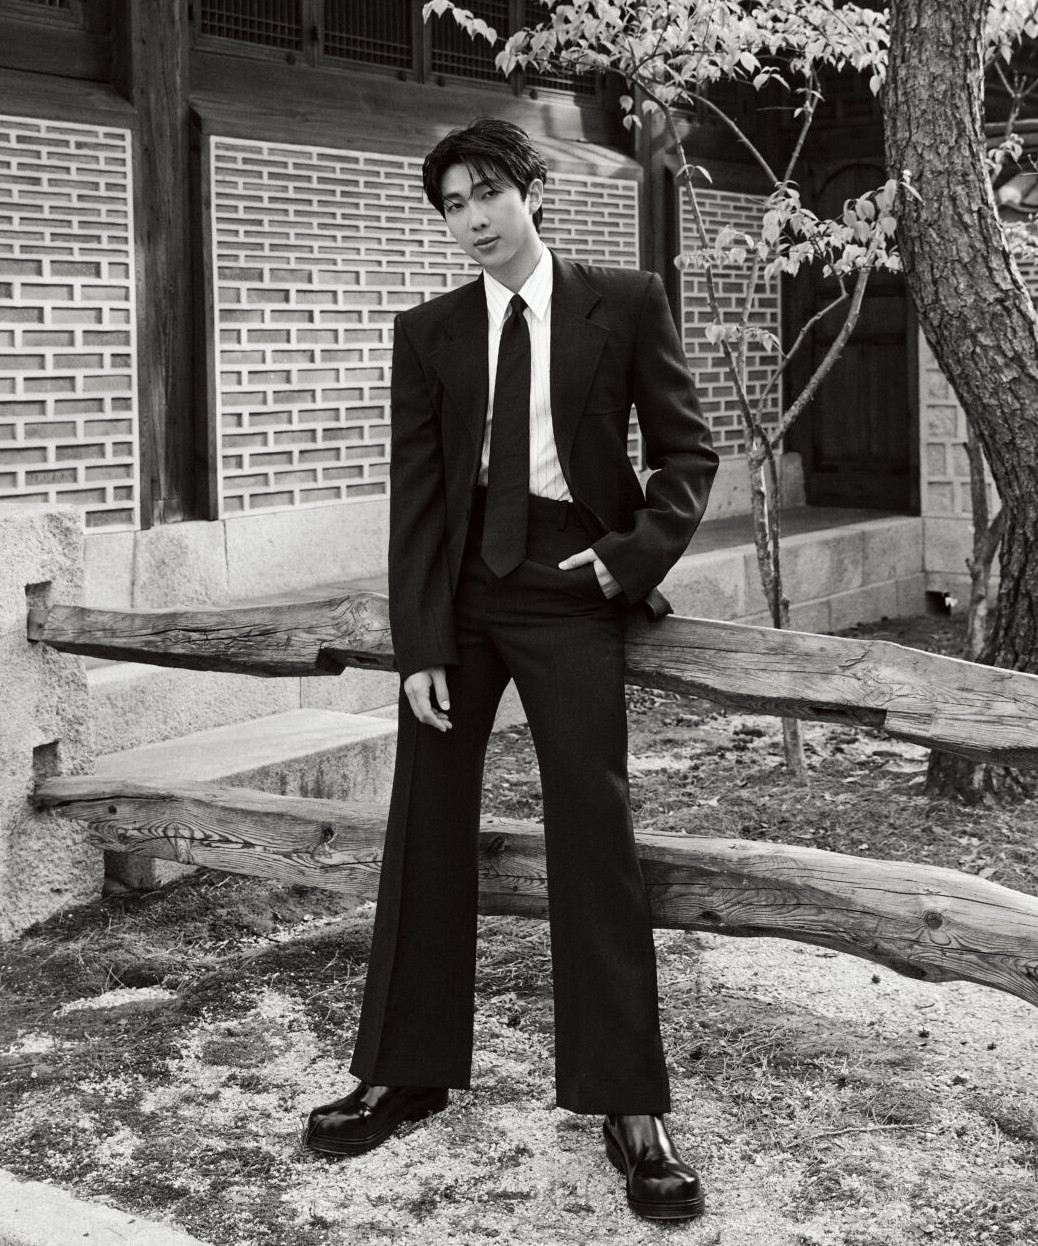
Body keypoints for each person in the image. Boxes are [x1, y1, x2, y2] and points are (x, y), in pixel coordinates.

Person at [303, 117, 718, 1221]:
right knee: (426, 816)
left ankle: (630, 1105)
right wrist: (421, 645)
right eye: (451, 203)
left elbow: (688, 452)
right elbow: (417, 501)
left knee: (596, 825)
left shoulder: (620, 301)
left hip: (571, 583)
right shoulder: (428, 331)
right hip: (462, 595)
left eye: (488, 191)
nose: (473, 218)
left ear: (531, 190)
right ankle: (407, 1067)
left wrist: (626, 563)